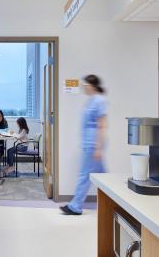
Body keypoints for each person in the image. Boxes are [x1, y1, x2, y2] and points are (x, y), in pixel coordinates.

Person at [61, 75, 107, 215]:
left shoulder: (99, 100)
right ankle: (115, 203)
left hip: (93, 144)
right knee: (104, 176)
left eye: (85, 85)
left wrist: (98, 147)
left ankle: (76, 206)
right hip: (89, 143)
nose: (83, 87)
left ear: (92, 85)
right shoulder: (92, 100)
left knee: (85, 175)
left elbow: (103, 125)